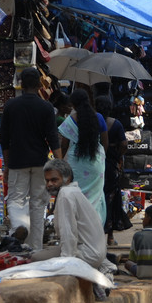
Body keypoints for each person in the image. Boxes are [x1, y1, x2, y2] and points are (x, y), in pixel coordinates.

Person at [0, 67, 62, 251]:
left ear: (20, 84)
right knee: (38, 203)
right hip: (40, 162)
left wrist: (6, 164)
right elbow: (52, 138)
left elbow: (4, 139)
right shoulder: (46, 107)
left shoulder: (11, 106)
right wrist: (59, 164)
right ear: (38, 85)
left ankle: (21, 226)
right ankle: (35, 248)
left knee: (16, 199)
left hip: (17, 161)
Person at [34, 159, 117, 292]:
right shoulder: (72, 192)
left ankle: (94, 279)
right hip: (97, 254)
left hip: (88, 254)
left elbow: (68, 232)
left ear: (67, 179)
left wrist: (67, 264)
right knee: (40, 254)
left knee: (35, 259)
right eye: (47, 180)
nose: (49, 184)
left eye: (54, 180)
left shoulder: (65, 195)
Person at [59, 88, 108, 224]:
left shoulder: (70, 120)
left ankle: (79, 226)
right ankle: (95, 227)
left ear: (73, 104)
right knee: (96, 197)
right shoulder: (98, 117)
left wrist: (61, 162)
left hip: (77, 162)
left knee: (77, 195)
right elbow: (105, 142)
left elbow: (64, 145)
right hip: (96, 161)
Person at [95, 95, 131, 243]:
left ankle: (96, 234)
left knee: (96, 199)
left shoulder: (91, 122)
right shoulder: (116, 124)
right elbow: (124, 144)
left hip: (95, 165)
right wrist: (118, 155)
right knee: (111, 199)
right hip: (111, 166)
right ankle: (110, 236)